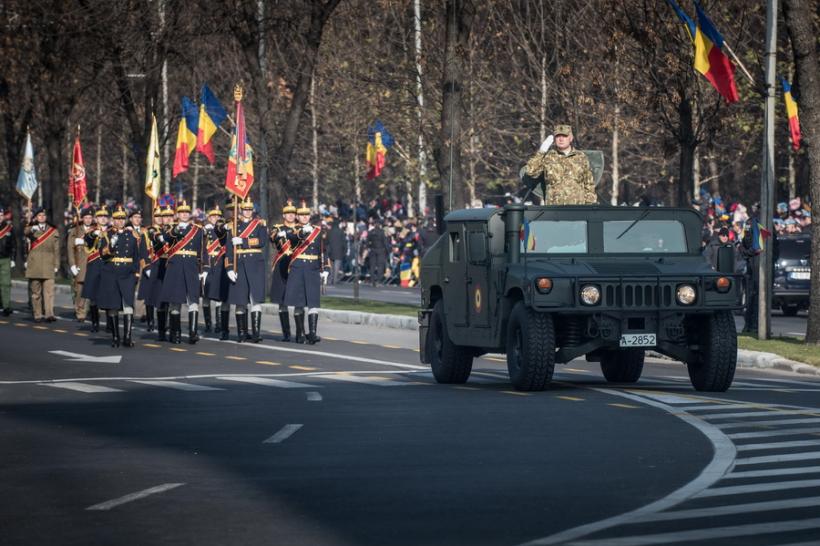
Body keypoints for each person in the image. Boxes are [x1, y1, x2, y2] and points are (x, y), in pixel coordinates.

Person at [159, 200, 206, 344]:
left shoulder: (198, 230)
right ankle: (176, 333)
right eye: (181, 213)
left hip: (191, 267)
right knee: (175, 301)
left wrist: (204, 269)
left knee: (193, 300)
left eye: (186, 212)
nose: (184, 215)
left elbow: (203, 251)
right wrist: (175, 230)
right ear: (177, 215)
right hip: (176, 267)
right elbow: (165, 239)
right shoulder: (171, 228)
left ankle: (192, 333)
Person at [97, 205, 143, 347]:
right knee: (113, 305)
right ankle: (116, 336)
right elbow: (102, 254)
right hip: (112, 272)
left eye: (123, 218)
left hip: (127, 272)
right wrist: (110, 245)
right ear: (113, 220)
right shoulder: (107, 234)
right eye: (117, 219)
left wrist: (136, 273)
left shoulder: (132, 235)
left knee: (128, 304)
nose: (121, 221)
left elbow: (136, 256)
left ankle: (127, 337)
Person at [225, 197, 267, 343]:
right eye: (245, 209)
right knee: (240, 300)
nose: (248, 212)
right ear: (241, 210)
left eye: (250, 209)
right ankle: (242, 333)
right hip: (239, 264)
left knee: (255, 299)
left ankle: (256, 333)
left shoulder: (260, 225)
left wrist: (243, 241)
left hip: (255, 264)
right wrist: (229, 268)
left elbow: (262, 241)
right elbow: (229, 250)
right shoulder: (233, 226)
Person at [524, 124, 596, 205]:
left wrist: (590, 207)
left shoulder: (581, 157)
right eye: (558, 136)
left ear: (571, 138)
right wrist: (541, 152)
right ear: (554, 139)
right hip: (554, 210)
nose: (561, 139)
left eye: (564, 136)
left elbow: (589, 185)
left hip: (577, 210)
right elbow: (530, 172)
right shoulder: (548, 157)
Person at [284, 201, 322, 344]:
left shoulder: (317, 231)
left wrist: (325, 269)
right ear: (297, 217)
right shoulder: (292, 230)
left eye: (307, 215)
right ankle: (300, 334)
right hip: (298, 268)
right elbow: (291, 238)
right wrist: (301, 232)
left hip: (312, 268)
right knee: (298, 302)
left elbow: (322, 251)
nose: (305, 217)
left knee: (313, 302)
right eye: (302, 215)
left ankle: (312, 333)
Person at [24, 207, 59, 322]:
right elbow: (26, 232)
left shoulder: (53, 231)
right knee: (36, 293)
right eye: (39, 215)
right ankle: (38, 314)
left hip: (49, 264)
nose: (42, 217)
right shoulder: (31, 229)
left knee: (49, 292)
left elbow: (56, 250)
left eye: (43, 215)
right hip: (35, 265)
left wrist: (56, 265)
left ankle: (49, 314)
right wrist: (31, 228)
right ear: (36, 217)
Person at [269, 199, 298, 341]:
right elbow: (272, 236)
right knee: (282, 301)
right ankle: (286, 333)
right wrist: (278, 236)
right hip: (282, 264)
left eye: (293, 213)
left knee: (298, 299)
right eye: (288, 213)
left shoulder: (300, 229)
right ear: (284, 215)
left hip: (296, 265)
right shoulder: (278, 228)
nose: (291, 215)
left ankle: (300, 333)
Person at [81, 206, 109, 331]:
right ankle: (95, 323)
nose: (103, 219)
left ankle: (110, 324)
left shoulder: (112, 231)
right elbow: (87, 238)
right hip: (94, 265)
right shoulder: (92, 230)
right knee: (93, 298)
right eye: (100, 217)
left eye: (105, 217)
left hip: (108, 266)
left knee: (109, 296)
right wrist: (94, 233)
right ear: (96, 218)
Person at [150, 205, 175, 341]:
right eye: (165, 216)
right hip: (161, 266)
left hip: (173, 267)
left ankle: (172, 329)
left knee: (172, 300)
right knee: (161, 302)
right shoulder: (156, 231)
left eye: (171, 216)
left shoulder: (178, 230)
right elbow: (154, 240)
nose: (168, 219)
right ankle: (161, 330)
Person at [202, 205, 228, 337]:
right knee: (206, 295)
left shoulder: (223, 229)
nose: (216, 218)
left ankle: (219, 324)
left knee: (218, 294)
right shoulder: (204, 230)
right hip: (208, 263)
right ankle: (208, 324)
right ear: (209, 218)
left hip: (219, 262)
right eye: (213, 216)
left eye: (218, 216)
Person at [137, 206, 162, 332]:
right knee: (149, 296)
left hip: (162, 266)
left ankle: (162, 321)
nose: (159, 219)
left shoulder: (166, 231)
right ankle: (150, 321)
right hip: (150, 265)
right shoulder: (146, 232)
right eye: (157, 216)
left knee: (161, 296)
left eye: (161, 216)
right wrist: (146, 267)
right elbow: (142, 252)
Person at [67, 207, 94, 322]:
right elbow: (70, 248)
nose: (88, 220)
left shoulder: (95, 230)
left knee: (91, 290)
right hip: (81, 264)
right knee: (80, 290)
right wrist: (72, 265)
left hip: (92, 264)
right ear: (82, 218)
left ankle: (87, 311)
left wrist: (83, 241)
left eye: (90, 218)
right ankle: (80, 311)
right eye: (86, 217)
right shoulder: (75, 230)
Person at [0, 206, 16, 315]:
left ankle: (6, 306)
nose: (0, 217)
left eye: (1, 215)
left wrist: (13, 258)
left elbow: (14, 244)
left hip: (5, 258)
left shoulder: (9, 228)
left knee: (5, 283)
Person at [366, 219, 389, 286]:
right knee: (380, 266)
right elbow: (385, 242)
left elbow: (367, 242)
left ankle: (372, 281)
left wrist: (369, 247)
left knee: (372, 266)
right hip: (380, 250)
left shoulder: (371, 232)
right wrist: (387, 251)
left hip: (373, 250)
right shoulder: (382, 232)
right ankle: (378, 281)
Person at [326, 215, 346, 286]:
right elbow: (344, 242)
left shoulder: (329, 232)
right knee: (336, 268)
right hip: (339, 252)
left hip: (331, 252)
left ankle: (330, 280)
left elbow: (327, 241)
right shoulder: (341, 232)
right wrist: (344, 251)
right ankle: (334, 281)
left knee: (331, 268)